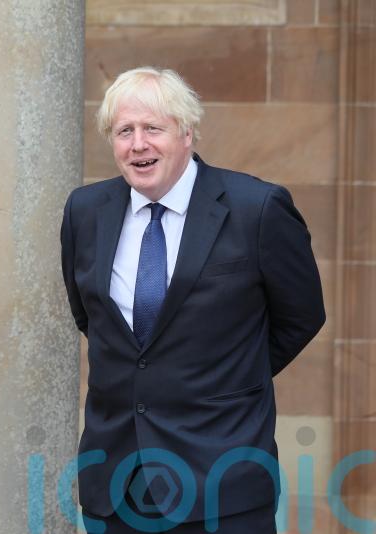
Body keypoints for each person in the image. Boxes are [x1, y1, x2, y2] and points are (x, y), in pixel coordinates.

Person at [60, 66, 325, 533]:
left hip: (223, 478)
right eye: (124, 131)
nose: (138, 144)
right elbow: (92, 318)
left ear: (187, 133)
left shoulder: (256, 209)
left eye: (152, 129)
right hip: (118, 482)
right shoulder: (85, 212)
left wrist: (225, 376)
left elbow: (301, 316)